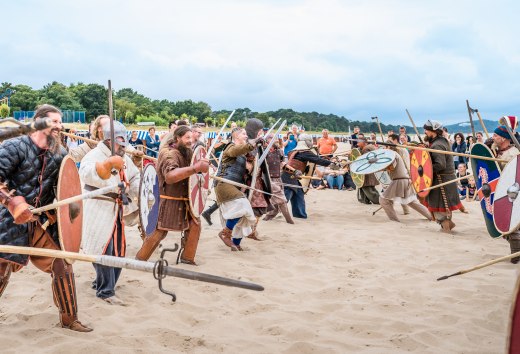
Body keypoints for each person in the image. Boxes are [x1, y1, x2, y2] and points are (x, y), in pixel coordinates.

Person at [0, 104, 92, 332]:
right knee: (0, 268)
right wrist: (13, 202)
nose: (59, 127)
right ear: (39, 122)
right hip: (9, 220)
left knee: (62, 263)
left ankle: (70, 319)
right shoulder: (14, 147)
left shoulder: (60, 153)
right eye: (54, 122)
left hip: (41, 222)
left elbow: (63, 189)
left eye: (60, 123)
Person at [79, 121, 140, 305]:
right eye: (119, 144)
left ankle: (101, 282)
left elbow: (134, 176)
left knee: (119, 250)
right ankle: (105, 291)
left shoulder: (124, 157)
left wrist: (141, 189)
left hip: (117, 207)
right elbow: (86, 173)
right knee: (103, 249)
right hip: (98, 207)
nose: (123, 147)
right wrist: (106, 165)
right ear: (108, 140)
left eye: (124, 144)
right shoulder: (94, 155)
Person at [135, 126, 209, 264]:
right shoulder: (168, 154)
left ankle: (187, 259)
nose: (190, 141)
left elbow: (193, 175)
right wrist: (195, 168)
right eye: (187, 138)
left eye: (191, 138)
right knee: (159, 232)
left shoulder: (187, 153)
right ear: (177, 138)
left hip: (185, 200)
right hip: (169, 201)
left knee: (195, 225)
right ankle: (140, 259)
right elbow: (170, 176)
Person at [214, 128, 261, 251]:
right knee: (242, 205)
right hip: (224, 184)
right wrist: (253, 143)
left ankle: (236, 243)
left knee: (243, 216)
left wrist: (252, 163)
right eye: (244, 134)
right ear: (236, 136)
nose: (246, 136)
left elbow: (248, 171)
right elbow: (236, 150)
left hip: (235, 186)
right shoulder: (230, 147)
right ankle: (225, 233)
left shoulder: (243, 156)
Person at [422, 120, 463, 233]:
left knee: (441, 211)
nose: (425, 132)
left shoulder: (438, 145)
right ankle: (448, 227)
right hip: (444, 179)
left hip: (442, 180)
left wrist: (426, 171)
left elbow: (440, 165)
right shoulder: (441, 141)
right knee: (441, 210)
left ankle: (446, 230)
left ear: (433, 131)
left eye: (427, 130)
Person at [281, 134, 335, 218]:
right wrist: (331, 163)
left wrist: (305, 169)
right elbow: (318, 160)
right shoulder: (305, 152)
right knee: (284, 198)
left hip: (292, 176)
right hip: (290, 177)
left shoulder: (293, 151)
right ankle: (272, 212)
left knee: (299, 194)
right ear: (306, 142)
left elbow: (300, 163)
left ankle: (300, 215)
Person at [378, 141, 432, 222]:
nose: (384, 149)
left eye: (385, 147)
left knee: (383, 200)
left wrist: (381, 166)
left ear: (388, 147)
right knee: (412, 202)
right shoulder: (395, 154)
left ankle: (394, 220)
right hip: (404, 180)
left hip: (399, 181)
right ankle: (431, 216)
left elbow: (392, 167)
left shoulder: (393, 155)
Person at [491, 124, 520, 262]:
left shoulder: (514, 154)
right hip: (502, 195)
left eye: (496, 135)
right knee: (506, 228)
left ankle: (516, 257)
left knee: (513, 227)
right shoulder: (496, 150)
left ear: (503, 138)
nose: (493, 137)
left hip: (513, 194)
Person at [263, 134, 294, 224]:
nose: (273, 141)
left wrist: (294, 171)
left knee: (276, 201)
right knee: (281, 200)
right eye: (270, 139)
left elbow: (282, 164)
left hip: (278, 178)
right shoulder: (263, 152)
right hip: (268, 179)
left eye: (274, 139)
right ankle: (289, 221)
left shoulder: (279, 151)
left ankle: (267, 218)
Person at [355, 134, 380, 204]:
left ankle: (378, 200)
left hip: (367, 171)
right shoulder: (368, 147)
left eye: (359, 141)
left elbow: (365, 160)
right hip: (369, 171)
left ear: (364, 142)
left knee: (367, 187)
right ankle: (364, 200)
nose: (357, 142)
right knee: (366, 186)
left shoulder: (367, 148)